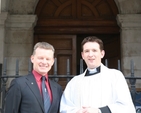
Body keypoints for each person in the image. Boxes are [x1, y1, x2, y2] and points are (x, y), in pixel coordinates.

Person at [60, 36, 136, 113]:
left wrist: (98, 111)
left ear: (102, 53)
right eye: (87, 51)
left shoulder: (115, 76)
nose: (90, 54)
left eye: (94, 50)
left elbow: (125, 106)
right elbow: (65, 107)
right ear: (83, 55)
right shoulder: (74, 82)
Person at [4, 42, 62, 113]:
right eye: (40, 58)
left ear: (52, 61)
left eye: (47, 59)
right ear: (32, 59)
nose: (44, 62)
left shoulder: (57, 88)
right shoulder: (19, 84)